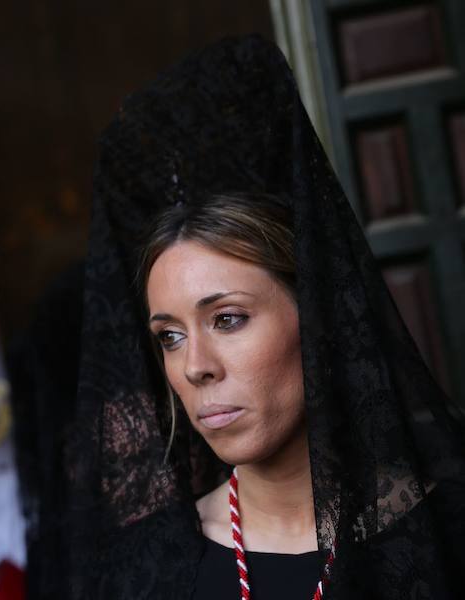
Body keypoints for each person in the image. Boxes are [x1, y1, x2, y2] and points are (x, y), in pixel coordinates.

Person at [56, 35, 465, 599]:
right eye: (170, 336)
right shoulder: (144, 574)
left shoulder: (448, 533)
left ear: (318, 319)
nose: (195, 367)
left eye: (227, 319)